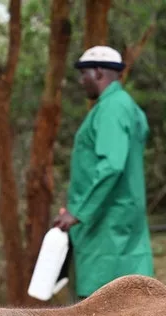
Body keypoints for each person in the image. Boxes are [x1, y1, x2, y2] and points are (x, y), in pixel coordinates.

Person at [51, 45, 153, 300]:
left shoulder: (112, 108)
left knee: (99, 304)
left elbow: (111, 165)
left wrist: (78, 211)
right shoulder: (127, 107)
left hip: (106, 224)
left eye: (83, 74)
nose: (80, 81)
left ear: (97, 72)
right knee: (128, 296)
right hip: (120, 218)